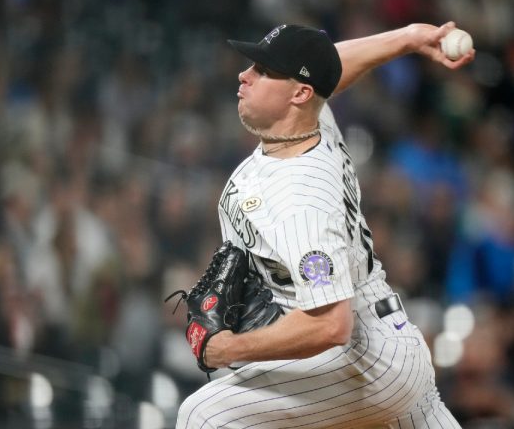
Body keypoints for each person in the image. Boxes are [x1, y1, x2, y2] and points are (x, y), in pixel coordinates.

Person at [176, 22, 474, 428]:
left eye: (263, 70)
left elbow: (331, 324)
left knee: (204, 416)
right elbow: (328, 68)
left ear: (299, 94)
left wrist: (229, 349)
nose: (244, 76)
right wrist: (406, 39)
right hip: (392, 341)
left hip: (361, 359)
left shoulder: (300, 196)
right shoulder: (314, 123)